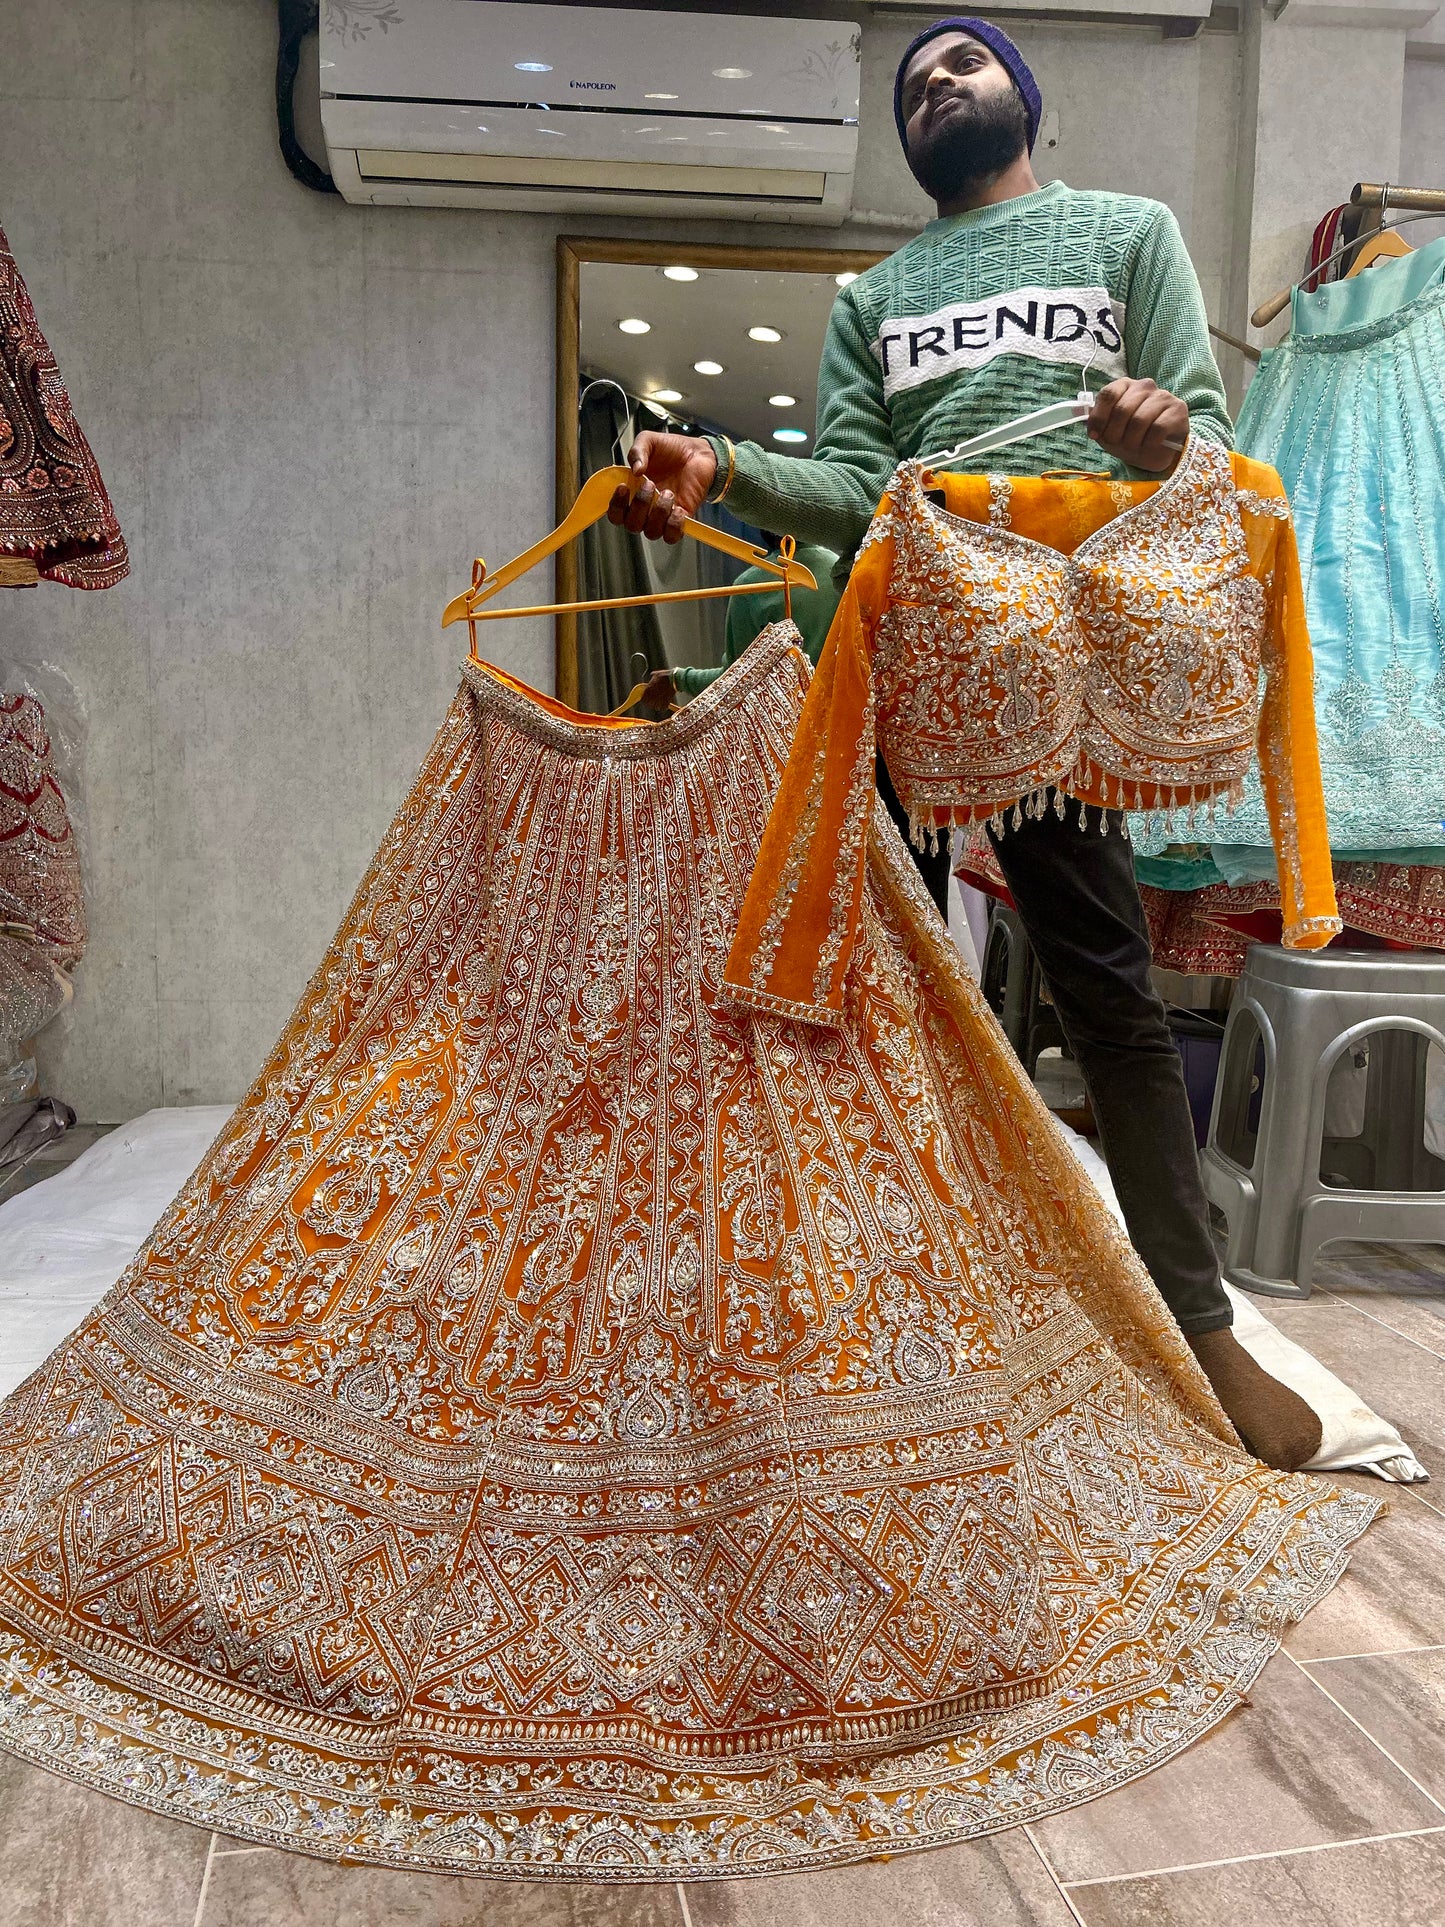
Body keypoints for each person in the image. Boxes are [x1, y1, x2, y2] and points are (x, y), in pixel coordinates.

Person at [607, 17, 1321, 1471]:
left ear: (1023, 99)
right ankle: (837, 1302)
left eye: (964, 61)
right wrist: (724, 464)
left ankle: (1197, 1321)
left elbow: (1211, 444)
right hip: (910, 644)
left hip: (1060, 653)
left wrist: (1161, 435)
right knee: (830, 981)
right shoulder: (873, 295)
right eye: (914, 78)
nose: (937, 78)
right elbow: (857, 484)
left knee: (1105, 989)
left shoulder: (1126, 233)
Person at [658, 536, 842, 706]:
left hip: (790, 727)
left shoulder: (750, 586)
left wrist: (679, 679)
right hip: (846, 720)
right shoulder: (842, 573)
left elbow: (736, 682)